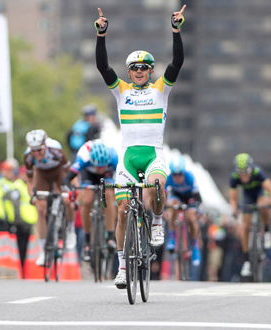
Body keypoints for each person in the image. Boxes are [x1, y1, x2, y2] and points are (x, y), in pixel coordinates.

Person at [95, 4, 186, 289]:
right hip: (128, 157)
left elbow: (177, 63)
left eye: (143, 68)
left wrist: (176, 31)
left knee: (157, 185)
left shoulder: (161, 88)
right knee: (122, 210)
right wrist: (101, 35)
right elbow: (102, 67)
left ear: (150, 71)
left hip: (152, 154)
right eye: (133, 68)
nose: (138, 71)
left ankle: (157, 220)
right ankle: (122, 268)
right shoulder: (121, 90)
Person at [62, 139, 118, 262]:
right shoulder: (83, 157)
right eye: (99, 167)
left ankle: (110, 236)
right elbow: (66, 180)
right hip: (88, 173)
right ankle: (87, 241)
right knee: (87, 200)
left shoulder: (113, 156)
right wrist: (72, 193)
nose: (101, 169)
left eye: (103, 166)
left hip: (109, 175)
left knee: (108, 194)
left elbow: (123, 177)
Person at [24, 129, 72, 266]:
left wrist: (71, 190)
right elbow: (29, 180)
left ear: (45, 145)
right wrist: (32, 195)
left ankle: (70, 230)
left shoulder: (56, 150)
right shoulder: (28, 156)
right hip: (42, 174)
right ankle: (43, 249)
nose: (36, 153)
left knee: (66, 199)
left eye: (39, 150)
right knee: (40, 209)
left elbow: (69, 173)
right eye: (33, 151)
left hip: (58, 172)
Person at [229, 153, 271, 278]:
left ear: (250, 168)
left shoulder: (258, 172)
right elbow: (233, 198)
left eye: (246, 172)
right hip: (248, 197)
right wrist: (234, 209)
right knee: (246, 226)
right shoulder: (234, 176)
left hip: (260, 193)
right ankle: (247, 259)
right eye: (241, 174)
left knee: (263, 204)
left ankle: (266, 230)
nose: (244, 176)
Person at [165, 155, 202, 266]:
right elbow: (163, 197)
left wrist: (198, 209)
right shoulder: (169, 178)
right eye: (174, 174)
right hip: (176, 197)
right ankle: (172, 239)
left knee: (191, 218)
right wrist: (164, 209)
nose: (177, 177)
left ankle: (195, 248)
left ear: (183, 172)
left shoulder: (189, 176)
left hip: (190, 198)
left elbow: (198, 197)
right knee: (173, 207)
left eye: (180, 174)